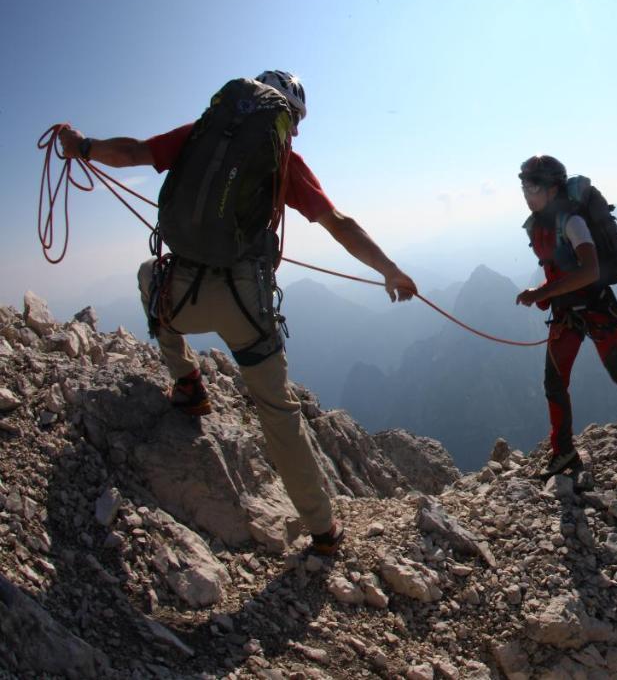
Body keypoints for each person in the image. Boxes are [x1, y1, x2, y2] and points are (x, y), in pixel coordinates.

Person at [58, 70, 418, 554]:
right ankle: (322, 529)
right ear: (287, 117)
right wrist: (389, 270)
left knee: (149, 276)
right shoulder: (284, 160)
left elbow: (133, 152)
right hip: (244, 303)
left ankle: (187, 383)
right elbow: (339, 223)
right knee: (277, 412)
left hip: (180, 292)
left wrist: (83, 146)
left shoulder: (201, 135)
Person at [515, 155, 617, 477]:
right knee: (554, 383)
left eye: (533, 185)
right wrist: (545, 292)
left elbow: (590, 270)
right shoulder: (541, 224)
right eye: (523, 185)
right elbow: (559, 270)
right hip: (566, 312)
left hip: (595, 307)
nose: (527, 192)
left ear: (553, 189)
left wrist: (541, 294)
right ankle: (564, 451)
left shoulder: (572, 223)